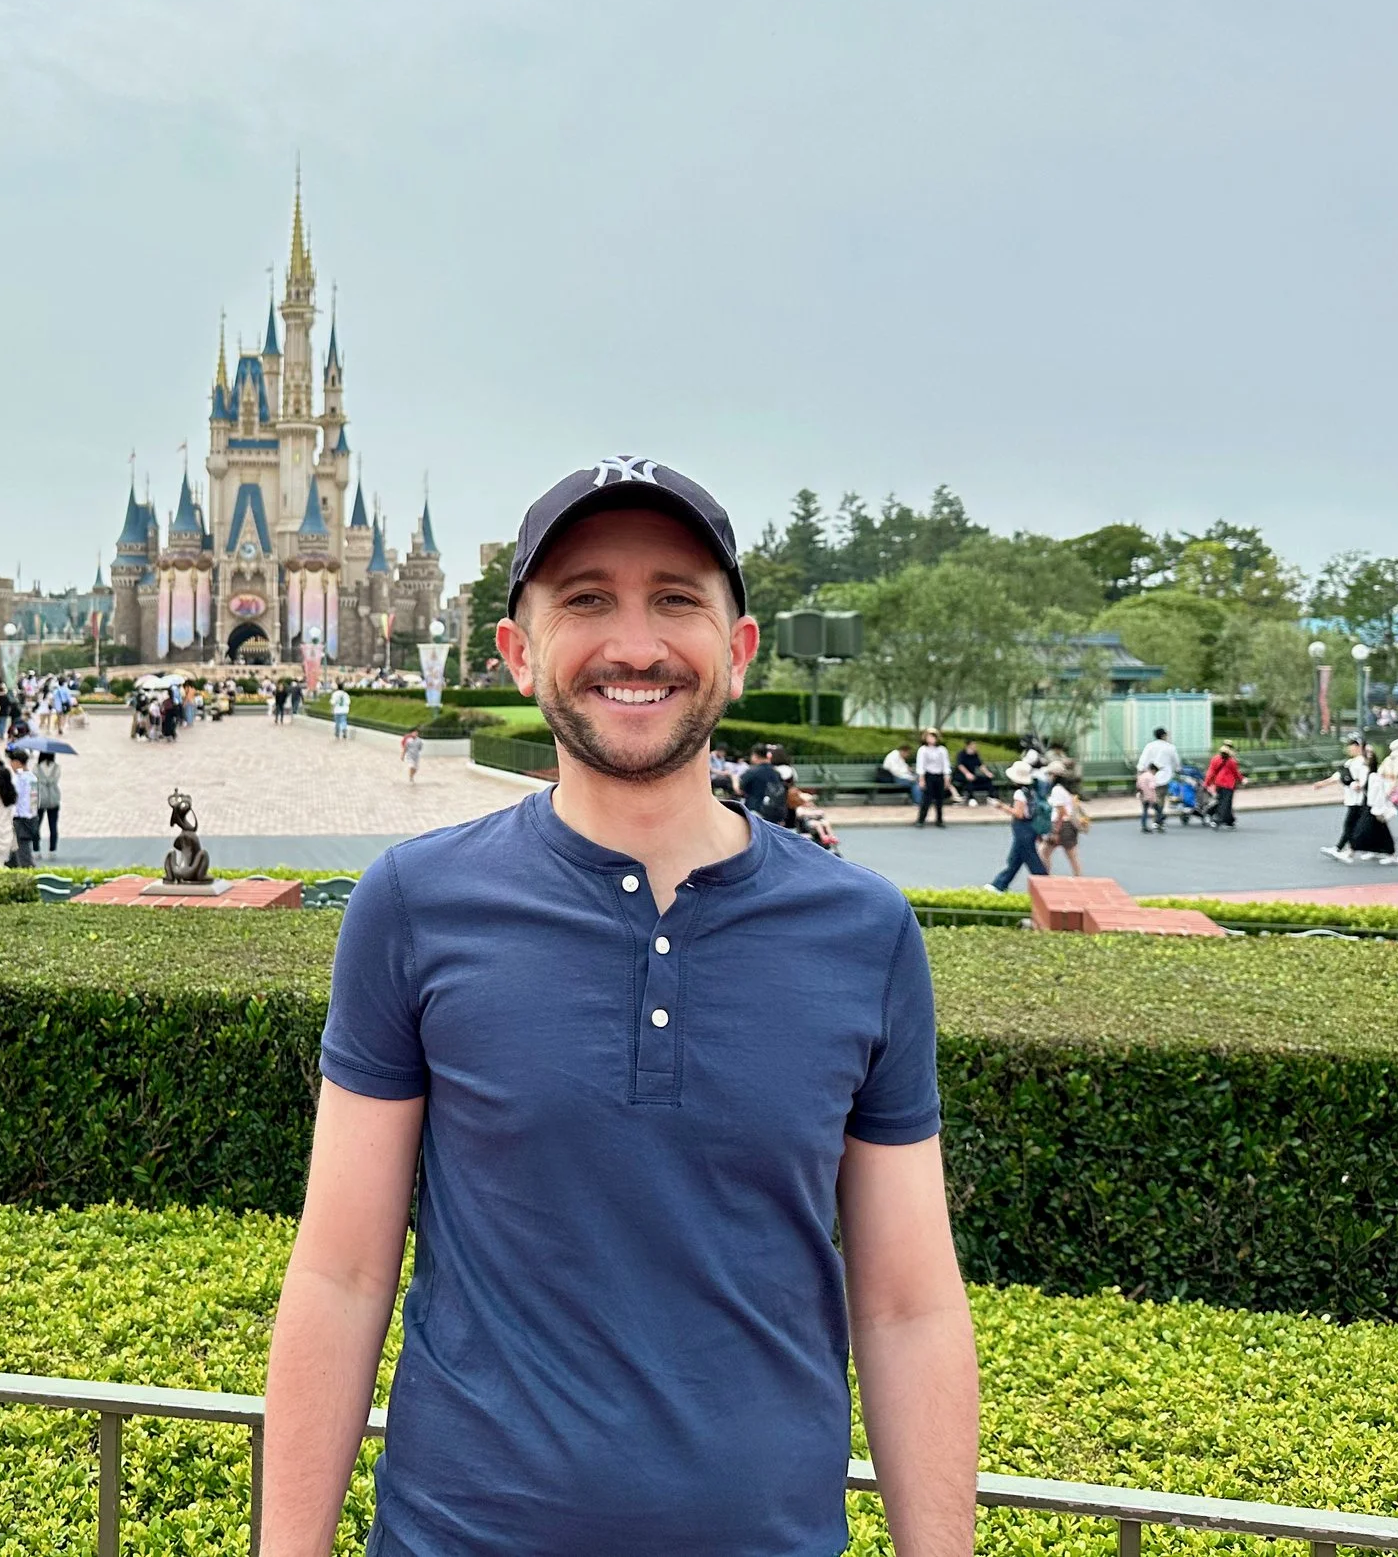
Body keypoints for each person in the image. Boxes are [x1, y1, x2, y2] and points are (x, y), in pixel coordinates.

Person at [262, 459, 974, 1557]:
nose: (634, 645)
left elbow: (909, 1305)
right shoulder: (413, 906)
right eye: (586, 599)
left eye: (676, 599)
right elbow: (341, 1274)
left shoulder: (863, 932)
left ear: (738, 650)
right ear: (518, 652)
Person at [986, 765, 1047, 893]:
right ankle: (999, 884)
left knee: (1031, 859)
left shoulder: (1019, 793)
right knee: (1015, 858)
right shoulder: (1031, 791)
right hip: (1031, 826)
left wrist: (1001, 806)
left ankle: (1044, 883)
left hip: (1022, 827)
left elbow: (1019, 813)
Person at [1326, 739, 1370, 863]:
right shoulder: (1350, 762)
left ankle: (1340, 848)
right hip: (1352, 799)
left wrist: (1356, 784)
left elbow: (1363, 780)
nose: (1350, 750)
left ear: (1358, 747)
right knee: (1357, 825)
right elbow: (1339, 776)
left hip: (1358, 800)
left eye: (1352, 747)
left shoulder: (1361, 762)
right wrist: (1323, 784)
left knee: (1350, 825)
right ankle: (1371, 849)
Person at [1354, 748, 1398, 863]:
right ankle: (1375, 850)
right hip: (1369, 805)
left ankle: (1391, 854)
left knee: (1380, 829)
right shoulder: (1367, 774)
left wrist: (1377, 809)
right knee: (1375, 829)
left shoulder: (1374, 776)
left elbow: (1378, 795)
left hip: (1374, 806)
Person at [1135, 728, 1180, 833]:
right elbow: (1176, 762)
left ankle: (1153, 820)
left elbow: (1143, 761)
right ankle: (1158, 820)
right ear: (1163, 735)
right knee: (1160, 799)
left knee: (1148, 801)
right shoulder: (1170, 747)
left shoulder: (1149, 746)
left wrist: (1140, 772)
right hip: (1164, 777)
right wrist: (1177, 769)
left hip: (1149, 778)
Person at [736, 742, 789, 826]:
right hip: (774, 813)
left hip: (755, 812)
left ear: (754, 755)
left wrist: (733, 778)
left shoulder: (752, 772)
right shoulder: (776, 772)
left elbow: (739, 790)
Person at [1046, 769, 1085, 875]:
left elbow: (1061, 812)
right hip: (1069, 824)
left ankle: (1046, 876)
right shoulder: (1067, 789)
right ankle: (1079, 877)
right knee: (1072, 856)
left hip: (1062, 825)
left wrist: (1056, 831)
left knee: (1044, 852)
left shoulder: (1057, 790)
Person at [5, 746, 39, 866]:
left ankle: (28, 872)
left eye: (12, 762)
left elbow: (13, 797)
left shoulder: (19, 779)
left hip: (21, 818)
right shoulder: (32, 777)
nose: (11, 765)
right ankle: (12, 864)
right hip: (32, 817)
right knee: (15, 850)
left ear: (18, 763)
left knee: (23, 852)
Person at [912, 730, 953, 828]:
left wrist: (947, 777)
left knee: (939, 799)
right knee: (927, 798)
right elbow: (920, 765)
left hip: (939, 776)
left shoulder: (942, 750)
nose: (931, 739)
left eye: (933, 737)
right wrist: (921, 779)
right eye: (929, 737)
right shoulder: (923, 750)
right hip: (928, 776)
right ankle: (921, 820)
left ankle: (939, 820)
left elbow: (946, 764)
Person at [30, 750, 62, 852]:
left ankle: (36, 849)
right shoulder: (57, 767)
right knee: (53, 826)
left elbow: (33, 784)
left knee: (36, 826)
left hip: (40, 800)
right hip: (53, 799)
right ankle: (52, 849)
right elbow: (56, 780)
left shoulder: (36, 768)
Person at [1203, 741, 1241, 828]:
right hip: (1229, 784)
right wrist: (1241, 779)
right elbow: (1236, 773)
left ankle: (1229, 820)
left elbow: (1211, 772)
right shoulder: (1232, 761)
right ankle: (1217, 819)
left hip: (1219, 783)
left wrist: (1206, 783)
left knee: (1223, 801)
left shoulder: (1216, 758)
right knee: (1224, 803)